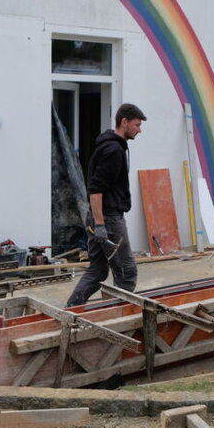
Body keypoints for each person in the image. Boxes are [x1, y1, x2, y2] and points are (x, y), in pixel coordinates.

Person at [66, 103, 146, 307]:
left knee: (98, 270)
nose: (139, 129)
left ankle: (71, 310)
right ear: (124, 122)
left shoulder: (111, 146)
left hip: (99, 217)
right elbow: (96, 189)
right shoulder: (113, 150)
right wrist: (101, 225)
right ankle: (114, 318)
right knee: (127, 273)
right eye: (137, 125)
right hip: (108, 219)